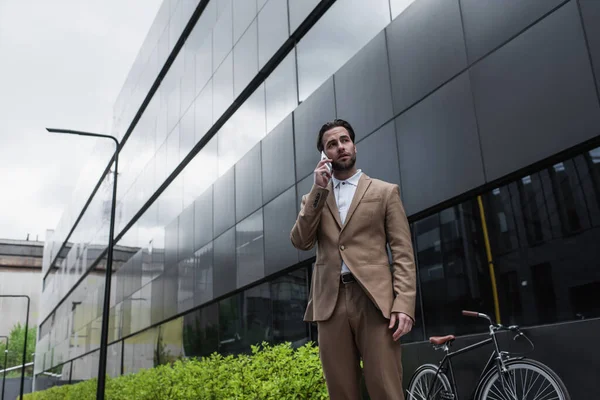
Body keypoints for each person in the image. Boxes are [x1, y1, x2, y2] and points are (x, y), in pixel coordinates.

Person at [290, 119, 417, 400]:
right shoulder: (313, 198)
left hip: (375, 301)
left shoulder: (385, 192)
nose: (340, 147)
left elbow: (403, 252)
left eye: (344, 140)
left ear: (354, 145)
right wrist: (318, 190)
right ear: (324, 155)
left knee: (386, 388)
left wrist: (404, 303)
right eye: (331, 145)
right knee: (342, 392)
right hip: (330, 304)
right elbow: (301, 241)